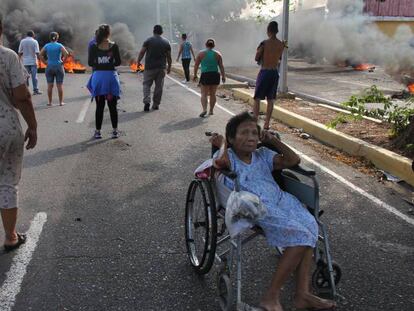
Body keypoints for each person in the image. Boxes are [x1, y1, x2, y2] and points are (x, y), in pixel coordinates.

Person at [210, 112, 336, 311]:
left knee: (311, 226)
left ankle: (303, 294)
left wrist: (274, 142)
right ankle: (270, 297)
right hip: (255, 206)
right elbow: (220, 164)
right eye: (244, 133)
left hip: (281, 200)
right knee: (301, 236)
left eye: (254, 133)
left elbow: (293, 160)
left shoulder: (263, 155)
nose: (251, 137)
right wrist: (223, 143)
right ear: (232, 138)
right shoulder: (230, 157)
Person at [0, 16, 38, 251]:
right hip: (6, 128)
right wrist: (32, 126)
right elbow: (22, 96)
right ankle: (11, 236)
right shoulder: (7, 56)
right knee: (6, 183)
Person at [87, 24, 122, 139]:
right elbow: (118, 63)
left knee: (99, 106)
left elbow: (90, 63)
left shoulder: (93, 46)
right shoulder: (114, 46)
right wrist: (109, 62)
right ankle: (115, 131)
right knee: (113, 106)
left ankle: (98, 132)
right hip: (111, 77)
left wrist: (99, 62)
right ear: (108, 33)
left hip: (99, 78)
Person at [253, 21, 285, 130]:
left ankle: (255, 121)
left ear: (268, 31)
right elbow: (279, 57)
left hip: (265, 71)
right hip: (274, 73)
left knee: (257, 98)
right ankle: (267, 123)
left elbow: (256, 57)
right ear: (277, 31)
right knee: (270, 99)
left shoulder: (264, 43)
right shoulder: (281, 44)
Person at [137, 25, 172, 112]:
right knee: (159, 87)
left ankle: (146, 102)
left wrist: (138, 61)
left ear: (153, 31)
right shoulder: (166, 42)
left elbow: (142, 52)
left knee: (146, 85)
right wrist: (169, 67)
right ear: (162, 32)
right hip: (161, 68)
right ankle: (156, 104)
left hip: (149, 67)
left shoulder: (148, 40)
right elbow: (169, 57)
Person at [193, 38, 225, 118]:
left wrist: (195, 75)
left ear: (206, 45)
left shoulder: (201, 54)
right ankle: (211, 110)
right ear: (214, 45)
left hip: (205, 75)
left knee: (204, 94)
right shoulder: (218, 54)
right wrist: (223, 76)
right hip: (215, 75)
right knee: (213, 94)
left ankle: (204, 109)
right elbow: (221, 66)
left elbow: (196, 65)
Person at [40, 32, 69, 106]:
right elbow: (66, 54)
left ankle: (50, 102)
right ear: (57, 38)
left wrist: (45, 62)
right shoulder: (59, 45)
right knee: (59, 85)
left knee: (50, 85)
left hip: (49, 66)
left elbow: (40, 54)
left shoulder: (47, 46)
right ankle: (60, 102)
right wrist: (63, 62)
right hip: (58, 66)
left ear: (50, 38)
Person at [18, 30, 42, 95]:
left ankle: (25, 91)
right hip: (33, 62)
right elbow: (37, 52)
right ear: (33, 35)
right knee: (34, 77)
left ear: (27, 35)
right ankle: (35, 90)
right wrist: (39, 61)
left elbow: (20, 52)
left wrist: (18, 60)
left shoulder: (22, 41)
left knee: (25, 76)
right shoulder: (35, 41)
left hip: (25, 62)